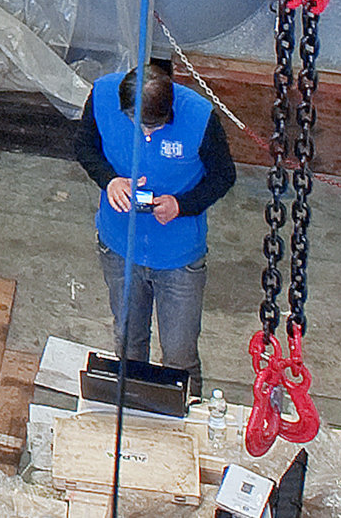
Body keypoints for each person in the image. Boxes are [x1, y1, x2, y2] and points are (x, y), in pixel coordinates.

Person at [73, 59, 235, 382]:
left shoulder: (200, 119)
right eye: (138, 124)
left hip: (178, 259)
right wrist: (109, 180)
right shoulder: (103, 95)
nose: (146, 133)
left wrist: (182, 204)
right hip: (120, 249)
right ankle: (133, 414)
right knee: (129, 346)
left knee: (179, 356)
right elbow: (83, 146)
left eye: (154, 127)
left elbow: (223, 176)